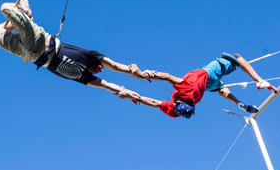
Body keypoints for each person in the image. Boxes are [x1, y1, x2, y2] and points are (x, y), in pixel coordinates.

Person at [0, 0, 153, 101]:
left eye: (99, 71)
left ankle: (18, 21)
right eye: (101, 67)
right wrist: (135, 73)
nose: (101, 70)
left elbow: (107, 86)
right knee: (5, 8)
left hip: (29, 55)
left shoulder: (85, 77)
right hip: (39, 40)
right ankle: (26, 11)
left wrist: (129, 92)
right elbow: (116, 66)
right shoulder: (91, 56)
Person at [119, 53, 278, 118]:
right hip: (208, 74)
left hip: (207, 87)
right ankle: (259, 80)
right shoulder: (183, 91)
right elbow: (167, 77)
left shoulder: (182, 107)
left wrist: (133, 96)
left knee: (221, 89)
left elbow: (154, 103)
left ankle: (239, 103)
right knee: (236, 57)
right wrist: (144, 75)